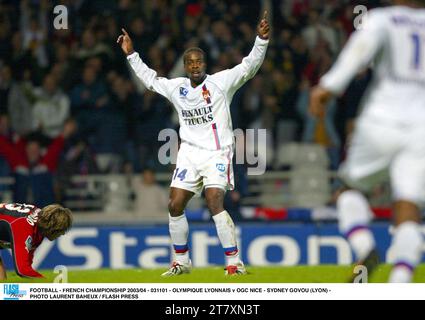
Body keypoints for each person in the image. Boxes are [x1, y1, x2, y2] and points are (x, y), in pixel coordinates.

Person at [117, 11, 270, 276]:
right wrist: (131, 55)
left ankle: (233, 263)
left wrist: (261, 40)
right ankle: (181, 261)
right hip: (189, 154)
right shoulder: (177, 88)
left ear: (205, 64)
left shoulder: (221, 83)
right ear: (185, 66)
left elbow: (249, 67)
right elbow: (151, 81)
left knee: (214, 200)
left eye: (199, 61)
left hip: (217, 153)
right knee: (175, 204)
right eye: (190, 62)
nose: (195, 65)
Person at [309, 0, 425, 282]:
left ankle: (364, 246)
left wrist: (327, 87)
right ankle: (400, 280)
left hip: (381, 119)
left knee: (349, 189)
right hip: (421, 127)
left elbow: (357, 55)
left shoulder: (381, 19)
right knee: (408, 206)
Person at [0, 202, 72, 279]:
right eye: (62, 229)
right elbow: (22, 270)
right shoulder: (24, 227)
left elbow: (27, 262)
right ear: (54, 227)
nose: (63, 233)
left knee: (3, 284)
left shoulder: (40, 225)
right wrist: (47, 283)